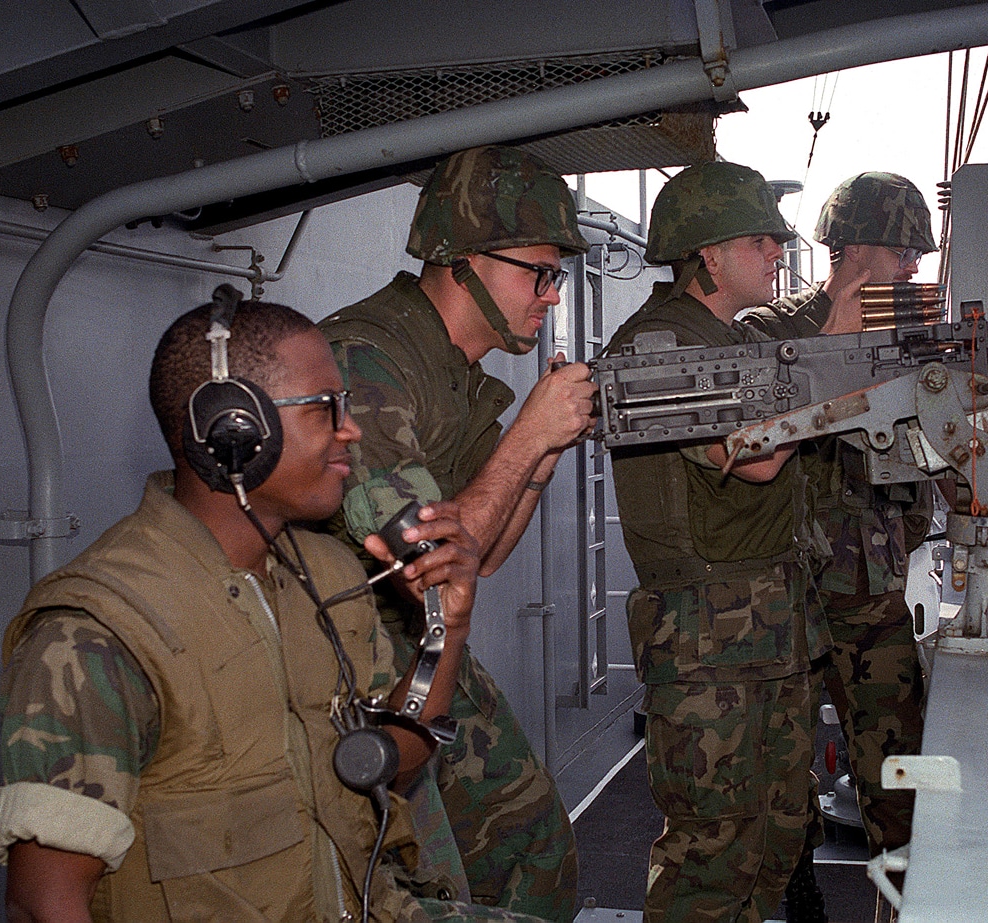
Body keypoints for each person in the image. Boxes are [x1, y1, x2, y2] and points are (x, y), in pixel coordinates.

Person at [0, 289, 545, 922]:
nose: (351, 430)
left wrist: (451, 624)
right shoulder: (98, 634)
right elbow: (42, 903)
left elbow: (394, 758)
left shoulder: (323, 575)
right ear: (235, 431)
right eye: (326, 409)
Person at [319, 146, 594, 922]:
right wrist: (525, 434)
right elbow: (432, 562)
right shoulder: (367, 358)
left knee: (534, 842)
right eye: (537, 272)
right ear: (463, 258)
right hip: (355, 678)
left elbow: (487, 555)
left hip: (422, 653)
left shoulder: (454, 371)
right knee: (427, 891)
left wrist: (539, 453)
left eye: (558, 276)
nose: (550, 295)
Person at [604, 161, 823, 923]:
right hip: (706, 640)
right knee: (711, 851)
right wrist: (831, 385)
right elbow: (755, 458)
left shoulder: (732, 339)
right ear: (708, 254)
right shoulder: (659, 345)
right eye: (761, 240)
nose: (777, 254)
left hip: (766, 631)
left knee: (778, 830)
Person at [740, 172, 935, 866]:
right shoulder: (768, 330)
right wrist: (834, 338)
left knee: (906, 783)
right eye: (903, 251)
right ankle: (797, 889)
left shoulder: (910, 338)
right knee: (777, 787)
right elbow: (753, 437)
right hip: (780, 596)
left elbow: (934, 444)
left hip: (873, 596)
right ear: (853, 250)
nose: (914, 267)